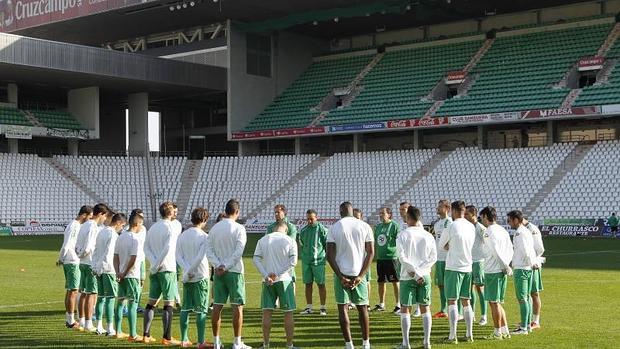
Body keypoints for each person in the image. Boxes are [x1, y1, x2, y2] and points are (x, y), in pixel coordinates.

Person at [326, 202, 374, 349]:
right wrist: (361, 276)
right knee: (362, 308)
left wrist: (340, 277)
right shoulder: (364, 226)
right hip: (359, 273)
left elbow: (329, 255)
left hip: (342, 273)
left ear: (340, 211)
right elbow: (371, 253)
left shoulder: (334, 227)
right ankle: (366, 344)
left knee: (343, 308)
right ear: (352, 211)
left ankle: (349, 345)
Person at [205, 199, 251, 349]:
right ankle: (237, 342)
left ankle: (217, 341)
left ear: (225, 211)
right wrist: (226, 265)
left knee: (217, 306)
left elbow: (209, 250)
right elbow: (239, 251)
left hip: (219, 273)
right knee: (237, 307)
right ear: (237, 212)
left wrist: (218, 265)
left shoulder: (214, 229)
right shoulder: (239, 228)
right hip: (234, 271)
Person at [396, 206, 437, 349]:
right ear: (419, 218)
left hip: (408, 276)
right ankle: (427, 341)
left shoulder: (403, 235)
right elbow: (433, 258)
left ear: (407, 218)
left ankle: (406, 343)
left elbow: (402, 257)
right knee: (425, 308)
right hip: (424, 275)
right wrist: (420, 272)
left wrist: (414, 272)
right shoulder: (428, 235)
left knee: (405, 309)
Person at [253, 221, 299, 349]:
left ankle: (266, 344)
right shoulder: (290, 240)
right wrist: (277, 274)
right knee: (288, 313)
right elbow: (293, 262)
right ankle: (289, 345)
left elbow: (256, 258)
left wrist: (266, 275)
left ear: (274, 229)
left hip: (267, 281)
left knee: (267, 313)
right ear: (286, 230)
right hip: (284, 280)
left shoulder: (263, 240)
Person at [143, 201, 182, 345]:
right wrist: (158, 263)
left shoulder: (153, 227)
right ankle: (167, 337)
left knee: (151, 302)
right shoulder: (170, 227)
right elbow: (168, 248)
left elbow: (146, 247)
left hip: (155, 269)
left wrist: (153, 264)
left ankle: (146, 335)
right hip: (167, 268)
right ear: (170, 212)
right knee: (168, 303)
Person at [437, 201, 475, 344]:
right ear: (464, 211)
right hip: (468, 267)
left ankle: (453, 336)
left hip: (453, 267)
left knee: (452, 300)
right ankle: (469, 334)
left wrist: (451, 248)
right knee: (466, 301)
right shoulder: (471, 226)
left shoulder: (451, 226)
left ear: (453, 211)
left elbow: (441, 245)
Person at [176, 208, 212, 348]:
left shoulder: (182, 235)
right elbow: (200, 256)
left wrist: (186, 270)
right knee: (201, 310)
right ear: (204, 220)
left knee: (185, 308)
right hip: (200, 275)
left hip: (187, 276)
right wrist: (190, 270)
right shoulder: (204, 236)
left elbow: (178, 256)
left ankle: (184, 340)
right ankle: (200, 341)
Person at [75, 203, 111, 332]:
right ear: (100, 214)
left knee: (84, 292)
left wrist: (79, 254)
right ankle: (88, 323)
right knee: (92, 293)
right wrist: (84, 254)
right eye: (104, 216)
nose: (105, 219)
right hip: (90, 263)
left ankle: (82, 320)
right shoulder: (93, 227)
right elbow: (89, 246)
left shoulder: (84, 225)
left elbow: (78, 244)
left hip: (83, 263)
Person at [479, 206, 513, 340]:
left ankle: (497, 332)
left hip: (493, 270)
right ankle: (505, 331)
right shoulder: (503, 230)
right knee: (497, 302)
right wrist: (507, 265)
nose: (482, 220)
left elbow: (495, 251)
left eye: (482, 218)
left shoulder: (488, 232)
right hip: (500, 270)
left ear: (486, 217)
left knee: (493, 303)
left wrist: (504, 266)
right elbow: (510, 249)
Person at [57, 205, 92, 328]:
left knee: (70, 290)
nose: (90, 220)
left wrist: (61, 258)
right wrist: (61, 258)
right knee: (73, 291)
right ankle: (71, 321)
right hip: (72, 260)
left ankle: (69, 319)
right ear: (84, 215)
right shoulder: (75, 226)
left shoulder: (74, 225)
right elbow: (67, 244)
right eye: (89, 217)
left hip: (69, 260)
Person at [92, 213, 127, 335]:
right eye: (122, 225)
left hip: (98, 268)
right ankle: (110, 327)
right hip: (108, 269)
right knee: (111, 298)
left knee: (101, 298)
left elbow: (96, 250)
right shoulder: (113, 235)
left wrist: (95, 267)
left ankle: (99, 325)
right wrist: (110, 268)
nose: (122, 228)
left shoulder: (102, 231)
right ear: (118, 223)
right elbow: (109, 253)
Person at [114, 212, 145, 341]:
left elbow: (115, 256)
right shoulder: (135, 238)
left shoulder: (120, 237)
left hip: (121, 274)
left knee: (120, 302)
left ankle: (118, 331)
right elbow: (133, 259)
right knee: (133, 304)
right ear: (137, 224)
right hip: (131, 275)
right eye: (141, 225)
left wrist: (118, 272)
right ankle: (133, 334)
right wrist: (125, 272)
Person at [507, 210, 536, 335]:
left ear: (516, 220)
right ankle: (527, 325)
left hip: (522, 268)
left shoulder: (519, 233)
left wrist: (530, 262)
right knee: (527, 297)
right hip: (527, 268)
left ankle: (524, 327)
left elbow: (525, 250)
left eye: (509, 220)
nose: (508, 223)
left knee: (522, 298)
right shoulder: (526, 231)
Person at [298, 209, 328, 316]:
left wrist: (325, 257)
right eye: (308, 219)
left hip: (318, 261)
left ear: (316, 218)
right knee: (308, 284)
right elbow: (302, 243)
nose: (309, 221)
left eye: (311, 219)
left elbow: (326, 245)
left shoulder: (322, 229)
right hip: (306, 262)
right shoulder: (303, 230)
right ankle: (309, 307)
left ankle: (323, 307)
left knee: (321, 284)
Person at [371, 207, 401, 315]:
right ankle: (381, 304)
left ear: (389, 214)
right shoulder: (378, 227)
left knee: (395, 281)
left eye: (382, 213)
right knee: (381, 281)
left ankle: (398, 304)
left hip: (392, 258)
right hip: (381, 258)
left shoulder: (395, 226)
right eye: (379, 213)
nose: (380, 215)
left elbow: (399, 241)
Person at [464, 205, 488, 326]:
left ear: (473, 215)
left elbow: (488, 243)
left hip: (478, 262)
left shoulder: (480, 228)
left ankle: (484, 315)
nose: (465, 216)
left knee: (480, 288)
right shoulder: (467, 227)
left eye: (467, 214)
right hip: (468, 261)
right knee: (469, 288)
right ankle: (472, 314)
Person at [399, 202, 421, 317]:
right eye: (400, 209)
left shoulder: (418, 225)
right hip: (405, 261)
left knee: (415, 286)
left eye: (404, 209)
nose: (401, 211)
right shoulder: (400, 224)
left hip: (415, 262)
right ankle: (404, 306)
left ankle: (417, 308)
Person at [266, 204, 298, 284]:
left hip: (286, 265)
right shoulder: (270, 227)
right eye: (275, 213)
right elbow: (266, 243)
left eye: (278, 212)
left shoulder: (291, 227)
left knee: (289, 294)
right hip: (273, 264)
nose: (276, 214)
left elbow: (290, 243)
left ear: (284, 213)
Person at [431, 200, 452, 319]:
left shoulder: (450, 222)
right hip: (439, 258)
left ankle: (452, 309)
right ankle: (443, 309)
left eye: (440, 207)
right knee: (440, 284)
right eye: (438, 206)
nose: (437, 208)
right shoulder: (437, 224)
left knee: (449, 285)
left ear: (447, 208)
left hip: (448, 258)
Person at [523, 217, 545, 330]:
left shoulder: (532, 229)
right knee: (527, 293)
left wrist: (533, 260)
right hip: (526, 265)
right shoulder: (524, 229)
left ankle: (536, 321)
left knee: (534, 293)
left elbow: (540, 248)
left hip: (534, 265)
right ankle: (527, 320)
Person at [353, 208, 371, 307]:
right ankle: (352, 302)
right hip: (353, 261)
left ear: (361, 218)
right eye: (354, 217)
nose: (356, 220)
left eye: (357, 218)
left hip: (364, 260)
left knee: (366, 280)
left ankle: (366, 302)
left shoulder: (365, 228)